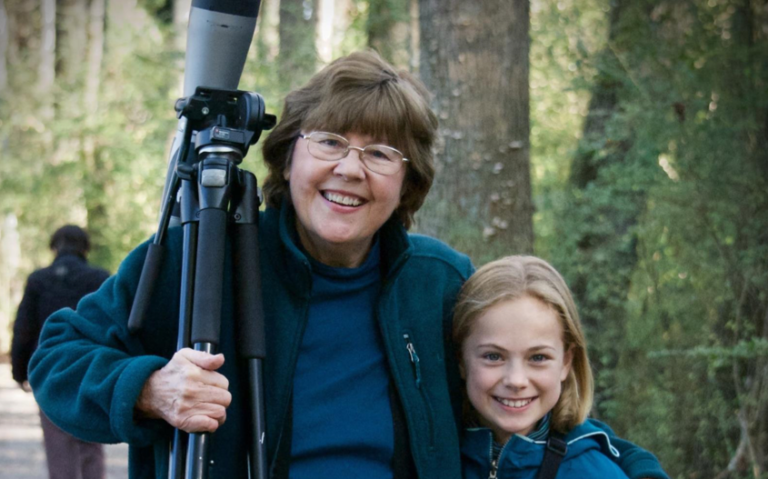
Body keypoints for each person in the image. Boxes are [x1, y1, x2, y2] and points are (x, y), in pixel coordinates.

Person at [28, 51, 667, 479]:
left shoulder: (437, 283)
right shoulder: (200, 264)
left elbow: (527, 395)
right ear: (288, 157)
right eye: (330, 141)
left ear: (407, 180)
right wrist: (148, 387)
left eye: (381, 153)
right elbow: (58, 356)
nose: (350, 170)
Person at [454, 255, 647, 478]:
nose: (516, 380)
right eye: (493, 356)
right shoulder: (427, 460)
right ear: (461, 360)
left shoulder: (596, 472)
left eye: (538, 358)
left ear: (566, 361)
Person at [11, 224, 110, 479]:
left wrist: (20, 372)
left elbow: (24, 328)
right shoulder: (99, 278)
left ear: (54, 246)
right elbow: (112, 327)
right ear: (85, 248)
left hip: (50, 369)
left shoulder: (38, 280)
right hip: (90, 367)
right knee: (90, 441)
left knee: (57, 443)